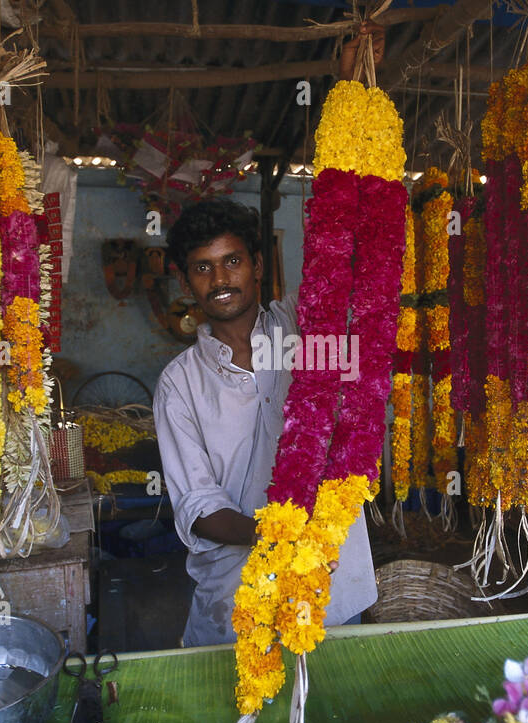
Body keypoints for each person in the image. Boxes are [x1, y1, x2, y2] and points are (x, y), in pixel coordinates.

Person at [153, 198, 377, 647]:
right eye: (202, 268)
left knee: (334, 712)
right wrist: (277, 535)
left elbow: (362, 281)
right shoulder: (178, 384)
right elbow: (197, 505)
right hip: (235, 601)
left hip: (333, 592)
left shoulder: (308, 326)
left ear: (256, 265)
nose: (219, 280)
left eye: (232, 261)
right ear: (184, 281)